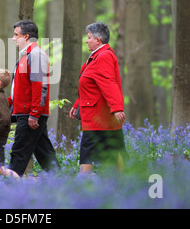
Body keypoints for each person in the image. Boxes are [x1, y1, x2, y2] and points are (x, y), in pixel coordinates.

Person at [69, 21, 127, 174]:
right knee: (116, 151)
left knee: (88, 151)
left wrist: (116, 108)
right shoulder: (97, 55)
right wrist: (77, 104)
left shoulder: (104, 56)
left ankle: (82, 183)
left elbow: (108, 83)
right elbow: (90, 85)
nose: (86, 40)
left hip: (98, 118)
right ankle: (129, 183)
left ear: (98, 40)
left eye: (89, 37)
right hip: (100, 117)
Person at [7, 20, 60, 177]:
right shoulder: (24, 57)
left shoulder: (36, 55)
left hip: (29, 113)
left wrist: (34, 113)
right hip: (26, 112)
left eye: (16, 35)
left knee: (19, 151)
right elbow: (19, 87)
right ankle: (61, 181)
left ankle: (9, 186)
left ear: (26, 36)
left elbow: (40, 86)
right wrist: (7, 104)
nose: (13, 38)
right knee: (44, 152)